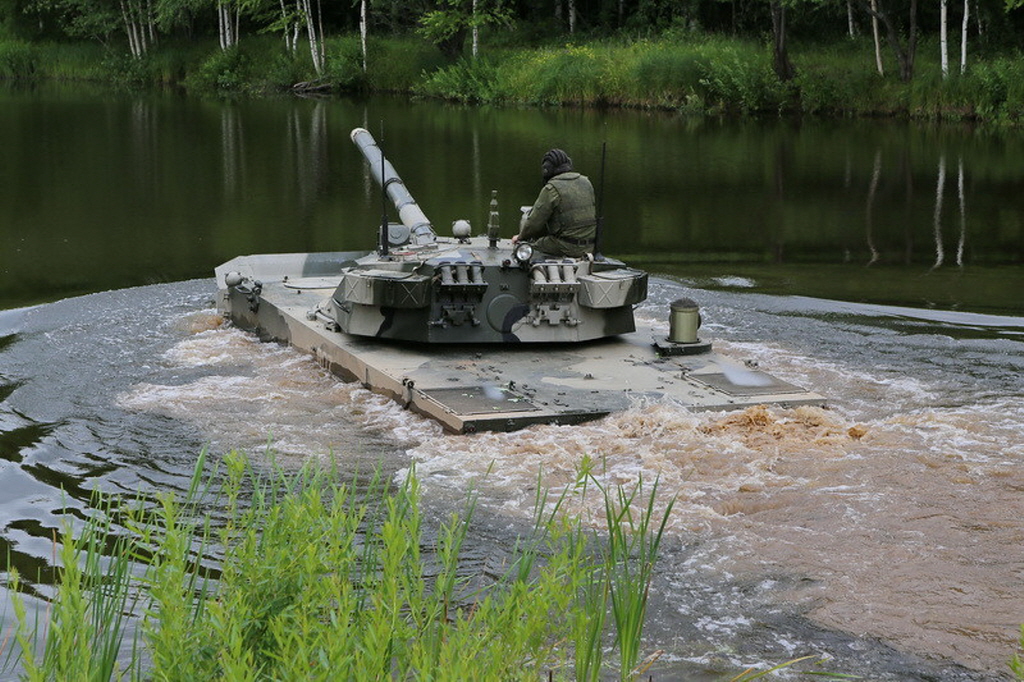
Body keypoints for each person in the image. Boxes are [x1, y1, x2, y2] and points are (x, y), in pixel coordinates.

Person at [512, 148, 597, 258]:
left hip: (565, 246)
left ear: (546, 170)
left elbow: (534, 223)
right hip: (589, 247)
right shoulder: (586, 182)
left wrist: (520, 237)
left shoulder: (551, 189)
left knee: (530, 245)